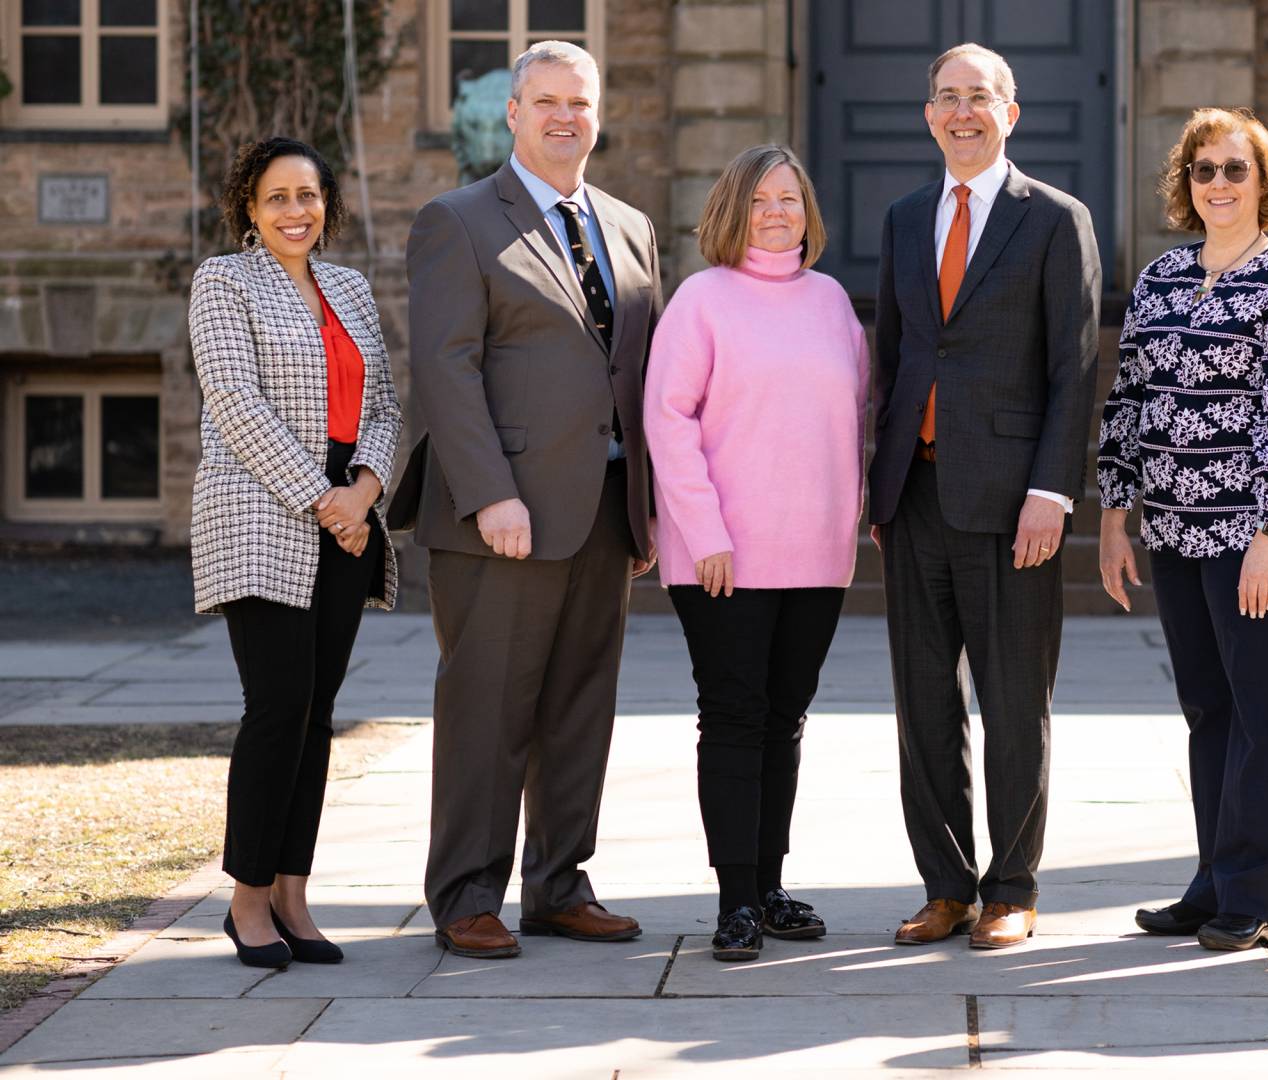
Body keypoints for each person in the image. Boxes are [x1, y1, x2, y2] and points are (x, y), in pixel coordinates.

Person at [392, 41, 662, 960]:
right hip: (499, 518)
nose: (563, 118)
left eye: (579, 103)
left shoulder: (629, 226)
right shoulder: (458, 220)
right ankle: (467, 893)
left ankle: (559, 886)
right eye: (545, 101)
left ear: (598, 114)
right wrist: (490, 496)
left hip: (605, 508)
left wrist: (650, 507)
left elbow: (637, 373)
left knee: (579, 706)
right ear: (512, 113)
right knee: (488, 709)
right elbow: (445, 368)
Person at [869, 42, 1100, 950]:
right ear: (929, 115)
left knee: (1012, 705)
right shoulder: (901, 218)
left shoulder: (1054, 219)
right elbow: (894, 358)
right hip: (915, 495)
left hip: (1013, 505)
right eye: (946, 98)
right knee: (922, 705)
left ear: (1011, 113)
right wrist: (880, 487)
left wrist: (1052, 489)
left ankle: (1011, 888)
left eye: (980, 97)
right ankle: (945, 886)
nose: (962, 112)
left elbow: (1072, 370)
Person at [1096, 107, 1268, 952]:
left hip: (1255, 536)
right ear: (1185, 184)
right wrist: (1115, 516)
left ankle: (1256, 895)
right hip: (1173, 529)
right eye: (1204, 169)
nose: (1220, 184)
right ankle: (1212, 879)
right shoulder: (1161, 278)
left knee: (1260, 708)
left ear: (1264, 184)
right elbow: (1128, 403)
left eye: (1237, 169)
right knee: (1207, 709)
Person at [644, 145, 867, 962]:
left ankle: (769, 886)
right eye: (763, 199)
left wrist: (855, 518)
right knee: (735, 718)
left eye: (792, 198)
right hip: (724, 559)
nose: (779, 212)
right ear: (733, 210)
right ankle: (734, 899)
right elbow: (667, 423)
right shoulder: (701, 302)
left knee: (786, 718)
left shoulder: (833, 300)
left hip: (815, 554)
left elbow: (853, 418)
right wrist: (704, 535)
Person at [189, 136, 401, 968]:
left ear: (327, 204)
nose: (294, 211)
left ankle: (292, 895)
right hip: (260, 517)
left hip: (348, 520)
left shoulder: (349, 286)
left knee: (317, 716)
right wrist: (324, 499)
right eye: (277, 197)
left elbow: (384, 402)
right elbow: (235, 404)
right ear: (250, 206)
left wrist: (365, 493)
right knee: (277, 707)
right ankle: (245, 902)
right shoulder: (223, 281)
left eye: (307, 195)